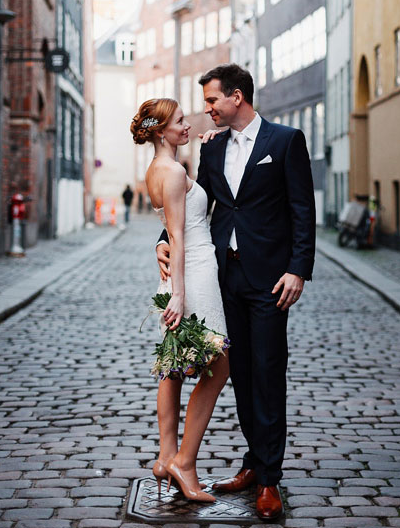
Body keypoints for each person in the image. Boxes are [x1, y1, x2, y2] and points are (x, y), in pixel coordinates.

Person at [156, 63, 315, 521]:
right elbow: (191, 208)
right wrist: (162, 242)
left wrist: (298, 270)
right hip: (223, 278)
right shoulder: (213, 147)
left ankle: (269, 479)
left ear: (237, 97)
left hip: (270, 281)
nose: (207, 110)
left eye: (211, 101)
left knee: (267, 372)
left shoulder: (285, 141)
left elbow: (302, 210)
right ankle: (253, 461)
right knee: (239, 372)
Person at [131, 98, 229, 504]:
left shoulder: (158, 169)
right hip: (194, 273)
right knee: (220, 366)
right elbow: (178, 236)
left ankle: (165, 456)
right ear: (159, 130)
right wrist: (181, 295)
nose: (187, 125)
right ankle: (183, 462)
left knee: (173, 366)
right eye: (179, 121)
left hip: (180, 274)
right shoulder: (172, 172)